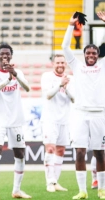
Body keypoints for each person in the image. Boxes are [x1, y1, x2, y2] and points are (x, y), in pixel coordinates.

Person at [61, 11, 105, 199]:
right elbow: (64, 46)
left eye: (94, 53)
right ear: (84, 54)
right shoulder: (77, 66)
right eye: (88, 52)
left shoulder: (102, 66)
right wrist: (71, 25)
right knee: (79, 152)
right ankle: (82, 190)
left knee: (100, 153)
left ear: (98, 55)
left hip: (99, 114)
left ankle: (102, 189)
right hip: (80, 114)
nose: (91, 55)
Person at [0, 44, 32, 200]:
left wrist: (16, 75)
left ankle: (17, 190)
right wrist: (7, 80)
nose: (5, 56)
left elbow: (28, 88)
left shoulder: (18, 73)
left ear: (11, 56)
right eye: (2, 54)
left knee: (20, 154)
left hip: (16, 121)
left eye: (8, 54)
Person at [40, 54, 74, 192]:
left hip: (65, 120)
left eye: (62, 62)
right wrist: (60, 84)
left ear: (66, 64)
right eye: (58, 62)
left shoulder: (71, 79)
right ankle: (49, 182)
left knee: (61, 150)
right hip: (50, 119)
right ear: (53, 64)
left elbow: (74, 99)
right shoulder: (47, 77)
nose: (60, 65)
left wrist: (66, 88)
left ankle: (56, 182)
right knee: (50, 149)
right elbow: (48, 95)